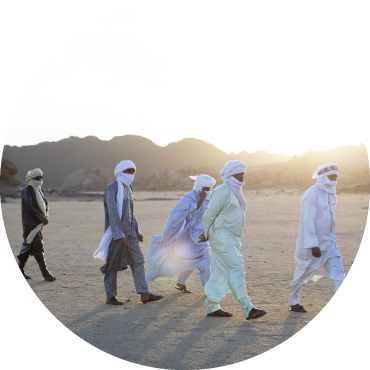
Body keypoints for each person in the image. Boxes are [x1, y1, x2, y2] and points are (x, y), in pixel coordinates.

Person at [199, 160, 266, 320]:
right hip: (220, 236)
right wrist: (206, 233)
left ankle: (212, 306)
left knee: (220, 273)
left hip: (231, 239)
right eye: (238, 173)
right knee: (237, 267)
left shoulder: (236, 191)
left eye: (243, 173)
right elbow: (210, 213)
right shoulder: (223, 190)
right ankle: (248, 308)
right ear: (230, 174)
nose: (241, 176)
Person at [93, 160, 163, 305]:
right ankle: (110, 296)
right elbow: (112, 212)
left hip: (130, 233)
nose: (131, 174)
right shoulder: (111, 188)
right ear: (120, 172)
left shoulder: (129, 188)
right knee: (112, 265)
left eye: (133, 171)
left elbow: (131, 212)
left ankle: (144, 293)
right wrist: (119, 235)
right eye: (128, 171)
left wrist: (137, 230)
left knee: (138, 260)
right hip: (116, 235)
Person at [289, 163, 345, 312]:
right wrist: (313, 244)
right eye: (331, 176)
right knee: (304, 272)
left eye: (335, 176)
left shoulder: (331, 192)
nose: (334, 178)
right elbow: (308, 220)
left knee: (338, 271)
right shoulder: (312, 193)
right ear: (322, 176)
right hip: (313, 244)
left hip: (330, 241)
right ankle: (294, 302)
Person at [146, 174, 216, 293]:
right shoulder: (191, 196)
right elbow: (188, 215)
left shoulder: (213, 196)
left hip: (204, 235)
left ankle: (181, 283)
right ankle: (209, 291)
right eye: (205, 189)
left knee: (193, 260)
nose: (208, 191)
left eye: (209, 189)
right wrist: (200, 200)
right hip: (191, 235)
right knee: (205, 260)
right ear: (199, 187)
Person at [17, 168, 56, 281]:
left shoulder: (40, 190)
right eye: (37, 177)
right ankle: (45, 274)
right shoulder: (27, 191)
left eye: (40, 177)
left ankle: (19, 270)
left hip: (38, 224)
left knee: (28, 247)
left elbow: (45, 205)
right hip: (30, 225)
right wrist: (42, 218)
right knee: (38, 246)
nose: (39, 179)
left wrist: (45, 216)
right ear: (31, 178)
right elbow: (30, 208)